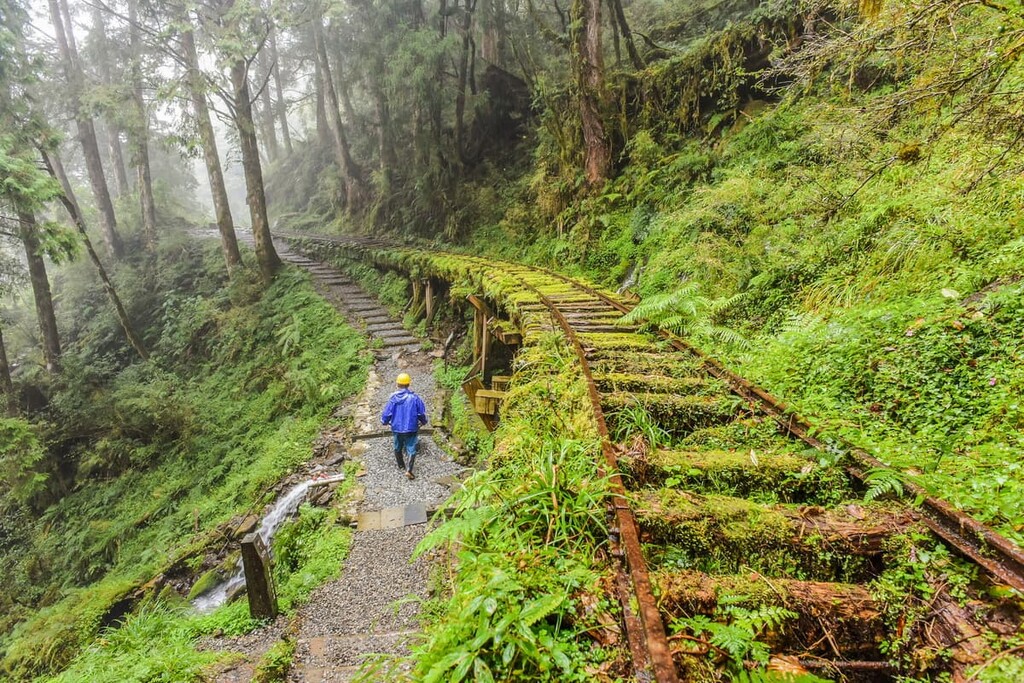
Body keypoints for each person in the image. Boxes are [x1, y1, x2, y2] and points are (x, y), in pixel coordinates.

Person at [380, 373, 428, 480]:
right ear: (408, 384)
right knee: (411, 447)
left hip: (397, 428)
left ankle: (401, 465)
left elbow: (387, 413)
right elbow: (421, 413)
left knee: (397, 446)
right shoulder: (415, 398)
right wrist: (424, 421)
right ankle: (409, 470)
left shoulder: (393, 398)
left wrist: (384, 421)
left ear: (397, 384)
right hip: (411, 428)